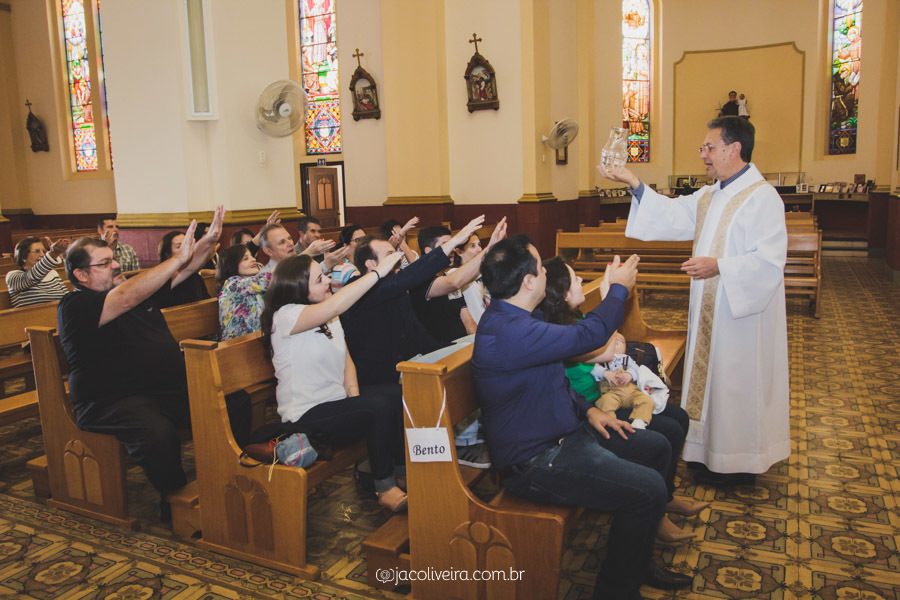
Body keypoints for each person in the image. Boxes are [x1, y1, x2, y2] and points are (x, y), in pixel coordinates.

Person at [471, 235, 692, 599]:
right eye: (541, 268)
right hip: (536, 460)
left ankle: (637, 561)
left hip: (567, 435)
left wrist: (590, 411)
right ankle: (616, 591)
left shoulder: (520, 318)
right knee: (647, 489)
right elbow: (590, 335)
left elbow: (553, 381)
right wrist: (617, 290)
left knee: (655, 448)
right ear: (528, 282)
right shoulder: (509, 332)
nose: (545, 272)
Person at [598, 115, 789, 487]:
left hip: (741, 317)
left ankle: (739, 463)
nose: (703, 154)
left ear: (734, 149)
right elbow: (670, 213)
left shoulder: (762, 197)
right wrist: (632, 181)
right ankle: (707, 454)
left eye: (709, 147)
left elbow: (769, 263)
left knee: (736, 382)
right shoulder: (711, 194)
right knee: (711, 380)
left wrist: (720, 266)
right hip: (709, 312)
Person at [58, 207, 249, 520]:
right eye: (105, 263)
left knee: (234, 401)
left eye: (113, 258)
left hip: (159, 390)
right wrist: (176, 258)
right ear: (81, 275)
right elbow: (125, 299)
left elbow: (183, 273)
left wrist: (207, 244)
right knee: (158, 434)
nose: (116, 264)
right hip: (109, 401)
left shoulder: (128, 290)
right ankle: (174, 502)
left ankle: (226, 476)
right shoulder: (75, 305)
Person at [540, 256, 707, 543]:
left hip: (603, 396)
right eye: (576, 278)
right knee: (664, 436)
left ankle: (664, 499)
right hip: (589, 408)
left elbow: (607, 349)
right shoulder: (560, 331)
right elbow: (606, 352)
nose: (581, 280)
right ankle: (656, 514)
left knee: (678, 418)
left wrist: (608, 294)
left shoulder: (574, 317)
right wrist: (609, 296)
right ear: (564, 293)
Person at [260, 250, 408, 511]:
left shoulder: (327, 315)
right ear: (297, 288)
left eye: (325, 276)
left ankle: (400, 471)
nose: (328, 281)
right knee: (379, 407)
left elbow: (346, 360)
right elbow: (338, 304)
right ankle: (384, 488)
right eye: (320, 279)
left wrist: (355, 401)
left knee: (396, 394)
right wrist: (378, 273)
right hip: (304, 416)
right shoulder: (285, 316)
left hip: (335, 406)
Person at [340, 216, 485, 387]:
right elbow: (411, 275)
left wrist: (451, 352)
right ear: (371, 264)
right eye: (390, 255)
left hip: (409, 368)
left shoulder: (398, 292)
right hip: (377, 380)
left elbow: (418, 335)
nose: (398, 259)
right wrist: (456, 241)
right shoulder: (357, 290)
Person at [408, 219, 507, 346]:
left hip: (462, 346)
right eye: (446, 244)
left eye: (452, 244)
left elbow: (468, 322)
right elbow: (453, 282)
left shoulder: (446, 276)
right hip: (439, 352)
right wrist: (490, 247)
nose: (453, 249)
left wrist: (483, 346)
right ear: (429, 251)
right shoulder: (421, 280)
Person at [216, 244, 272, 340]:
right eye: (246, 258)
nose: (253, 259)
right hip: (237, 346)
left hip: (256, 340)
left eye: (251, 256)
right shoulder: (232, 284)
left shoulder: (249, 282)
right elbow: (270, 280)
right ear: (232, 264)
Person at [7, 236, 70, 307]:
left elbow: (67, 297)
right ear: (23, 257)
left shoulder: (53, 274)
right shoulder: (12, 276)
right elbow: (31, 278)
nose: (42, 255)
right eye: (37, 251)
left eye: (44, 251)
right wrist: (53, 254)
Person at [157, 230, 210, 307]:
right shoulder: (163, 281)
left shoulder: (196, 278)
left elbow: (208, 305)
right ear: (167, 254)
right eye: (179, 246)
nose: (186, 250)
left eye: (187, 245)